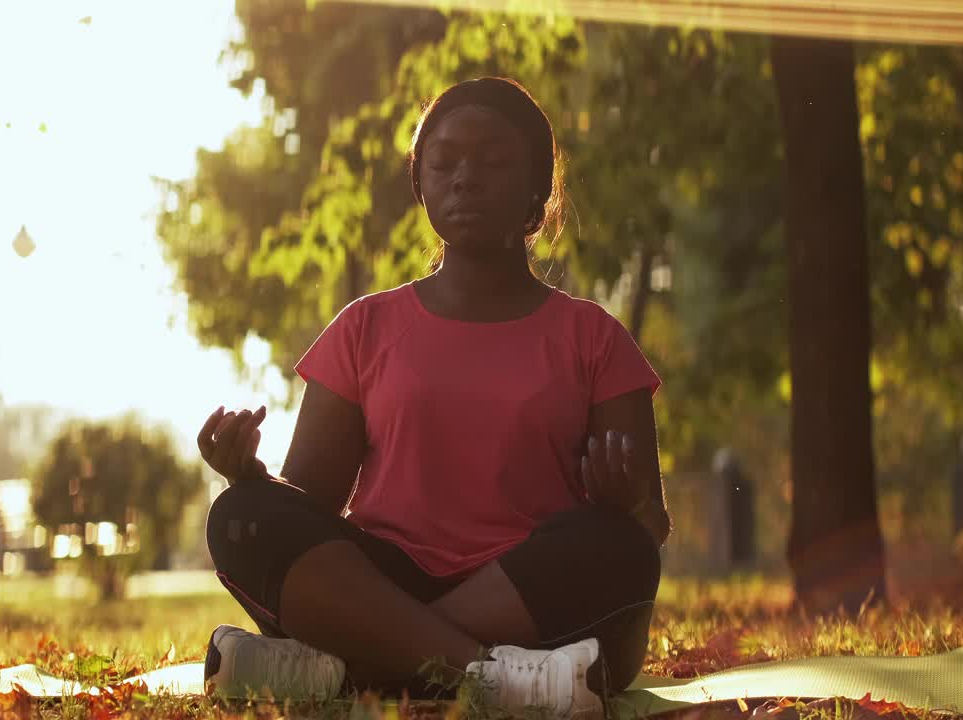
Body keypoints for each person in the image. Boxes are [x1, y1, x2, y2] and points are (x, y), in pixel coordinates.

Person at [197, 77, 670, 719]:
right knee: (242, 515)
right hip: (386, 581)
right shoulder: (365, 328)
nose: (464, 179)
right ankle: (487, 677)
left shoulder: (594, 338)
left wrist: (622, 504)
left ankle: (350, 668)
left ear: (538, 189)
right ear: (421, 187)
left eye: (493, 162)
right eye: (444, 164)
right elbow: (308, 503)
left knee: (616, 547)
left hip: (531, 593)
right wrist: (250, 476)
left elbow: (648, 527)